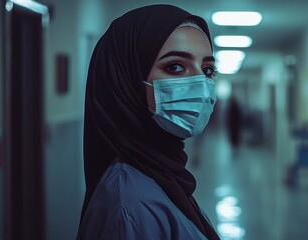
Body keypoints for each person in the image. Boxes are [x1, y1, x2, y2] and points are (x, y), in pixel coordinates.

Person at [76, 4, 220, 240]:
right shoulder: (127, 207)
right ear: (125, 81)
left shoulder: (161, 173)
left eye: (207, 70)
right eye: (175, 67)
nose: (201, 86)